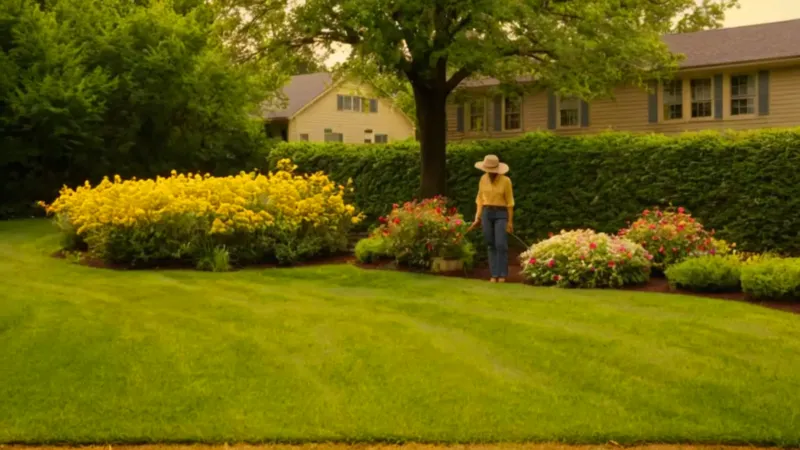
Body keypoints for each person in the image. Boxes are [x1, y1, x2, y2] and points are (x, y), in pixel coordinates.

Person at [467, 154, 514, 283]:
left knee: (500, 244)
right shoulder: (483, 179)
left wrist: (510, 222)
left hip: (501, 213)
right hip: (487, 213)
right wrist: (478, 216)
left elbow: (510, 203)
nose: (490, 172)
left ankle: (502, 274)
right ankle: (494, 274)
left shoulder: (506, 181)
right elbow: (480, 199)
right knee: (490, 243)